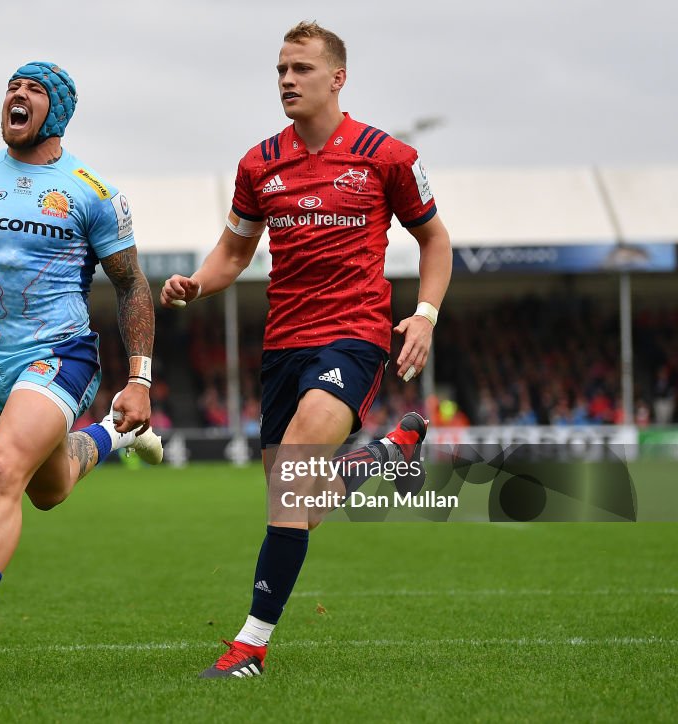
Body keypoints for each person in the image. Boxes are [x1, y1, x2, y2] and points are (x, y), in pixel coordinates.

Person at [161, 21, 452, 678]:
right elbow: (235, 249)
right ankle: (387, 452)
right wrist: (197, 283)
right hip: (282, 346)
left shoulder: (389, 156)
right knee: (299, 502)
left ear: (337, 78)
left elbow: (435, 241)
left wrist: (425, 314)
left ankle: (250, 646)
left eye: (301, 69)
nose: (288, 80)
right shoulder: (259, 164)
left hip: (353, 337)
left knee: (290, 482)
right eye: (281, 71)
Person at [0, 60, 163, 675]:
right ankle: (121, 435)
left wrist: (141, 378)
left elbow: (133, 288)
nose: (18, 95)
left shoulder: (92, 191)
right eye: (12, 86)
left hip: (63, 352)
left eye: (34, 89)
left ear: (58, 111)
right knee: (49, 489)